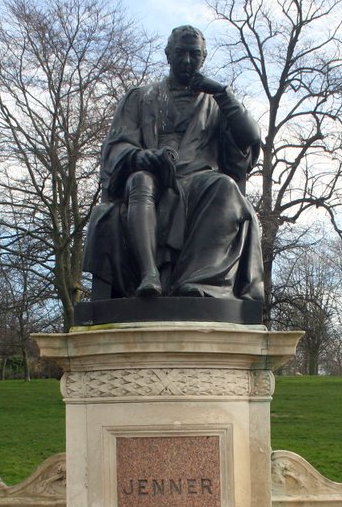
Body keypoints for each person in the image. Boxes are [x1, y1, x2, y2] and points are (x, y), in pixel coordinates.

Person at [83, 24, 265, 301]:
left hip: (201, 180)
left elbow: (249, 137)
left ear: (204, 57)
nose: (187, 61)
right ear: (168, 54)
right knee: (140, 180)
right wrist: (143, 156)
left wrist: (223, 93)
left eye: (195, 55)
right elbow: (116, 147)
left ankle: (199, 282)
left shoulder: (217, 103)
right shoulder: (139, 98)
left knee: (225, 188)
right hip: (150, 176)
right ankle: (149, 275)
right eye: (181, 53)